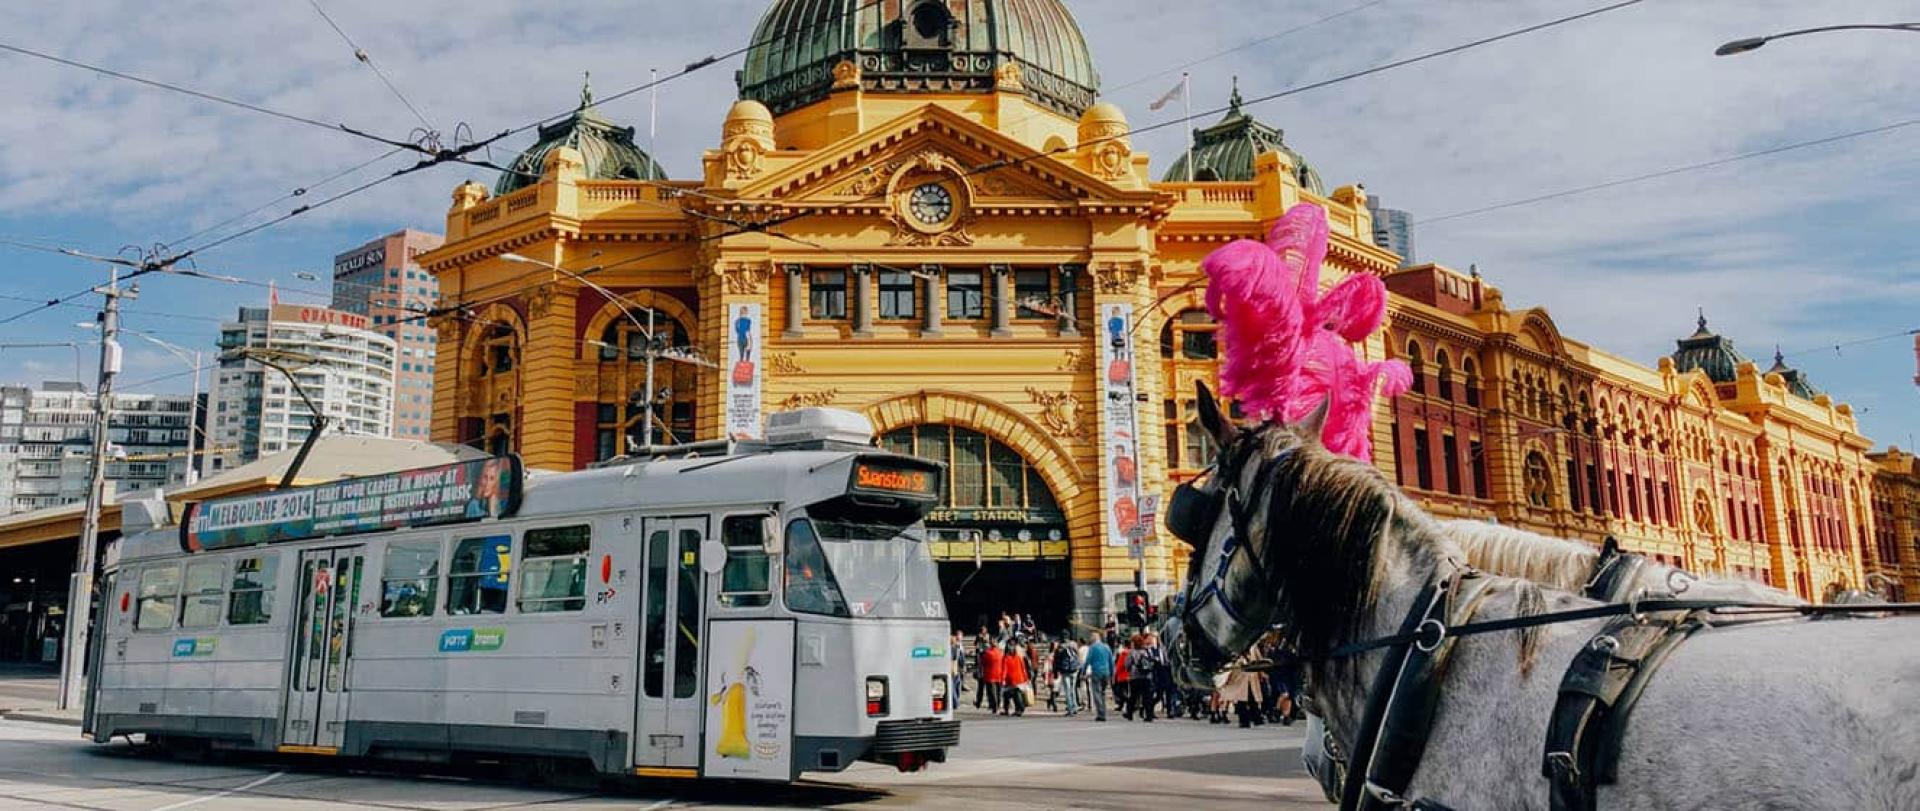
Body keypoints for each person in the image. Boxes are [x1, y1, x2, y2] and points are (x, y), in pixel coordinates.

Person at [1082, 633, 1114, 722]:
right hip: (1106, 672)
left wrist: (1083, 672)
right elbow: (1111, 661)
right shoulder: (1107, 647)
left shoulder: (1092, 648)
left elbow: (1087, 660)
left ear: (1093, 639)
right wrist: (1112, 674)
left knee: (1096, 693)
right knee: (1103, 693)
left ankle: (1101, 714)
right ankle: (1103, 711)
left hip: (1096, 672)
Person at [1133, 633, 1163, 722]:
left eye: (1153, 639)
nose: (1152, 640)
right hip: (1146, 675)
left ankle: (1148, 712)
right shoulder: (1144, 650)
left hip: (1153, 675)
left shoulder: (1155, 649)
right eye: (1150, 638)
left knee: (1152, 696)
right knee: (1147, 696)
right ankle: (1148, 713)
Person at [1051, 635, 1082, 716]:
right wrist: (1079, 666)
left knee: (1067, 690)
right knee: (1072, 689)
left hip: (1065, 670)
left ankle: (1070, 709)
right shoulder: (1073, 644)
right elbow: (1078, 656)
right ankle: (1075, 706)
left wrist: (1055, 671)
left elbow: (1056, 659)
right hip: (1074, 669)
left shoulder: (1060, 646)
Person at [1002, 642, 1031, 716]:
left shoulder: (1006, 658)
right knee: (1016, 694)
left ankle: (1015, 709)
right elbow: (1023, 668)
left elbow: (1005, 670)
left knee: (1007, 694)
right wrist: (1026, 678)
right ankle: (1018, 709)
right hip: (1020, 679)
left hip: (1011, 680)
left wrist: (1003, 679)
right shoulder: (1019, 657)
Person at [980, 638, 1005, 714]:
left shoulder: (987, 653)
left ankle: (995, 707)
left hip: (990, 675)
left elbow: (983, 663)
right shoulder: (1001, 652)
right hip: (999, 674)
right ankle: (998, 705)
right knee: (999, 692)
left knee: (992, 693)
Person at [1114, 637, 1134, 720]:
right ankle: (1127, 705)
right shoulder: (1131, 653)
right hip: (1130, 676)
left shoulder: (1123, 654)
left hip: (1122, 676)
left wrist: (1115, 674)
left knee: (1120, 692)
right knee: (1127, 692)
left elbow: (1119, 665)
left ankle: (1127, 702)